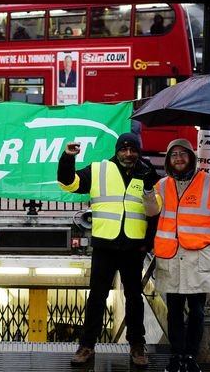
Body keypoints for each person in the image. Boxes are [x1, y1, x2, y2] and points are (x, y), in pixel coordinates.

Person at [58, 132, 160, 367]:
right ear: (117, 151)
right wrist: (67, 158)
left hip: (134, 247)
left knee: (134, 298)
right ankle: (86, 346)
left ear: (138, 152)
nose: (128, 154)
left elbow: (155, 212)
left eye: (133, 150)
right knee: (97, 297)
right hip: (105, 244)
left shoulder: (147, 173)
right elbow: (69, 182)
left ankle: (137, 345)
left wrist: (148, 242)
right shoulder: (99, 169)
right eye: (124, 149)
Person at [142, 139, 210, 372]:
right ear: (168, 160)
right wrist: (147, 190)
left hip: (199, 259)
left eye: (183, 154)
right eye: (173, 155)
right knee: (174, 312)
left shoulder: (209, 182)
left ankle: (191, 357)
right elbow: (151, 210)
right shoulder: (163, 185)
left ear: (191, 157)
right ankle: (176, 356)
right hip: (172, 258)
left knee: (197, 312)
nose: (178, 159)